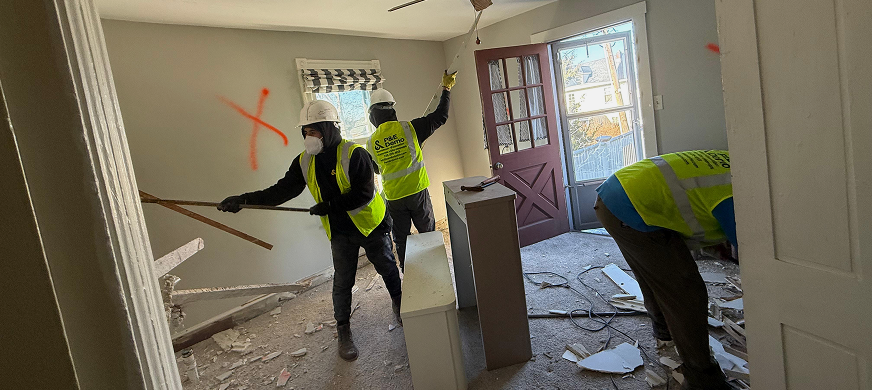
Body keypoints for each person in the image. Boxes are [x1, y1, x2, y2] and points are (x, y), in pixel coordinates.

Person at [217, 100, 402, 362]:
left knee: (386, 266)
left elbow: (363, 194)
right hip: (340, 231)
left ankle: (399, 302)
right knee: (343, 281)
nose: (308, 137)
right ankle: (343, 330)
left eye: (313, 131)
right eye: (305, 132)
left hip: (372, 224)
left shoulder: (354, 153)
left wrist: (328, 206)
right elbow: (280, 191)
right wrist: (243, 200)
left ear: (328, 128)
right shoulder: (304, 161)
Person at [594, 150, 736, 390]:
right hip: (630, 207)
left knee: (656, 275)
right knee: (685, 291)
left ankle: (665, 334)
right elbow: (756, 258)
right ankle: (703, 379)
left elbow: (698, 204)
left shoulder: (735, 163)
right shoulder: (737, 196)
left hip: (617, 192)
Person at [366, 71, 456, 270]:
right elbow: (441, 116)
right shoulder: (411, 128)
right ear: (392, 110)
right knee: (428, 234)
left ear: (372, 114)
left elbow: (377, 170)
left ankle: (411, 275)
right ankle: (436, 269)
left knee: (402, 239)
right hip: (417, 193)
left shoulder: (371, 142)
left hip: (395, 198)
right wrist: (446, 89)